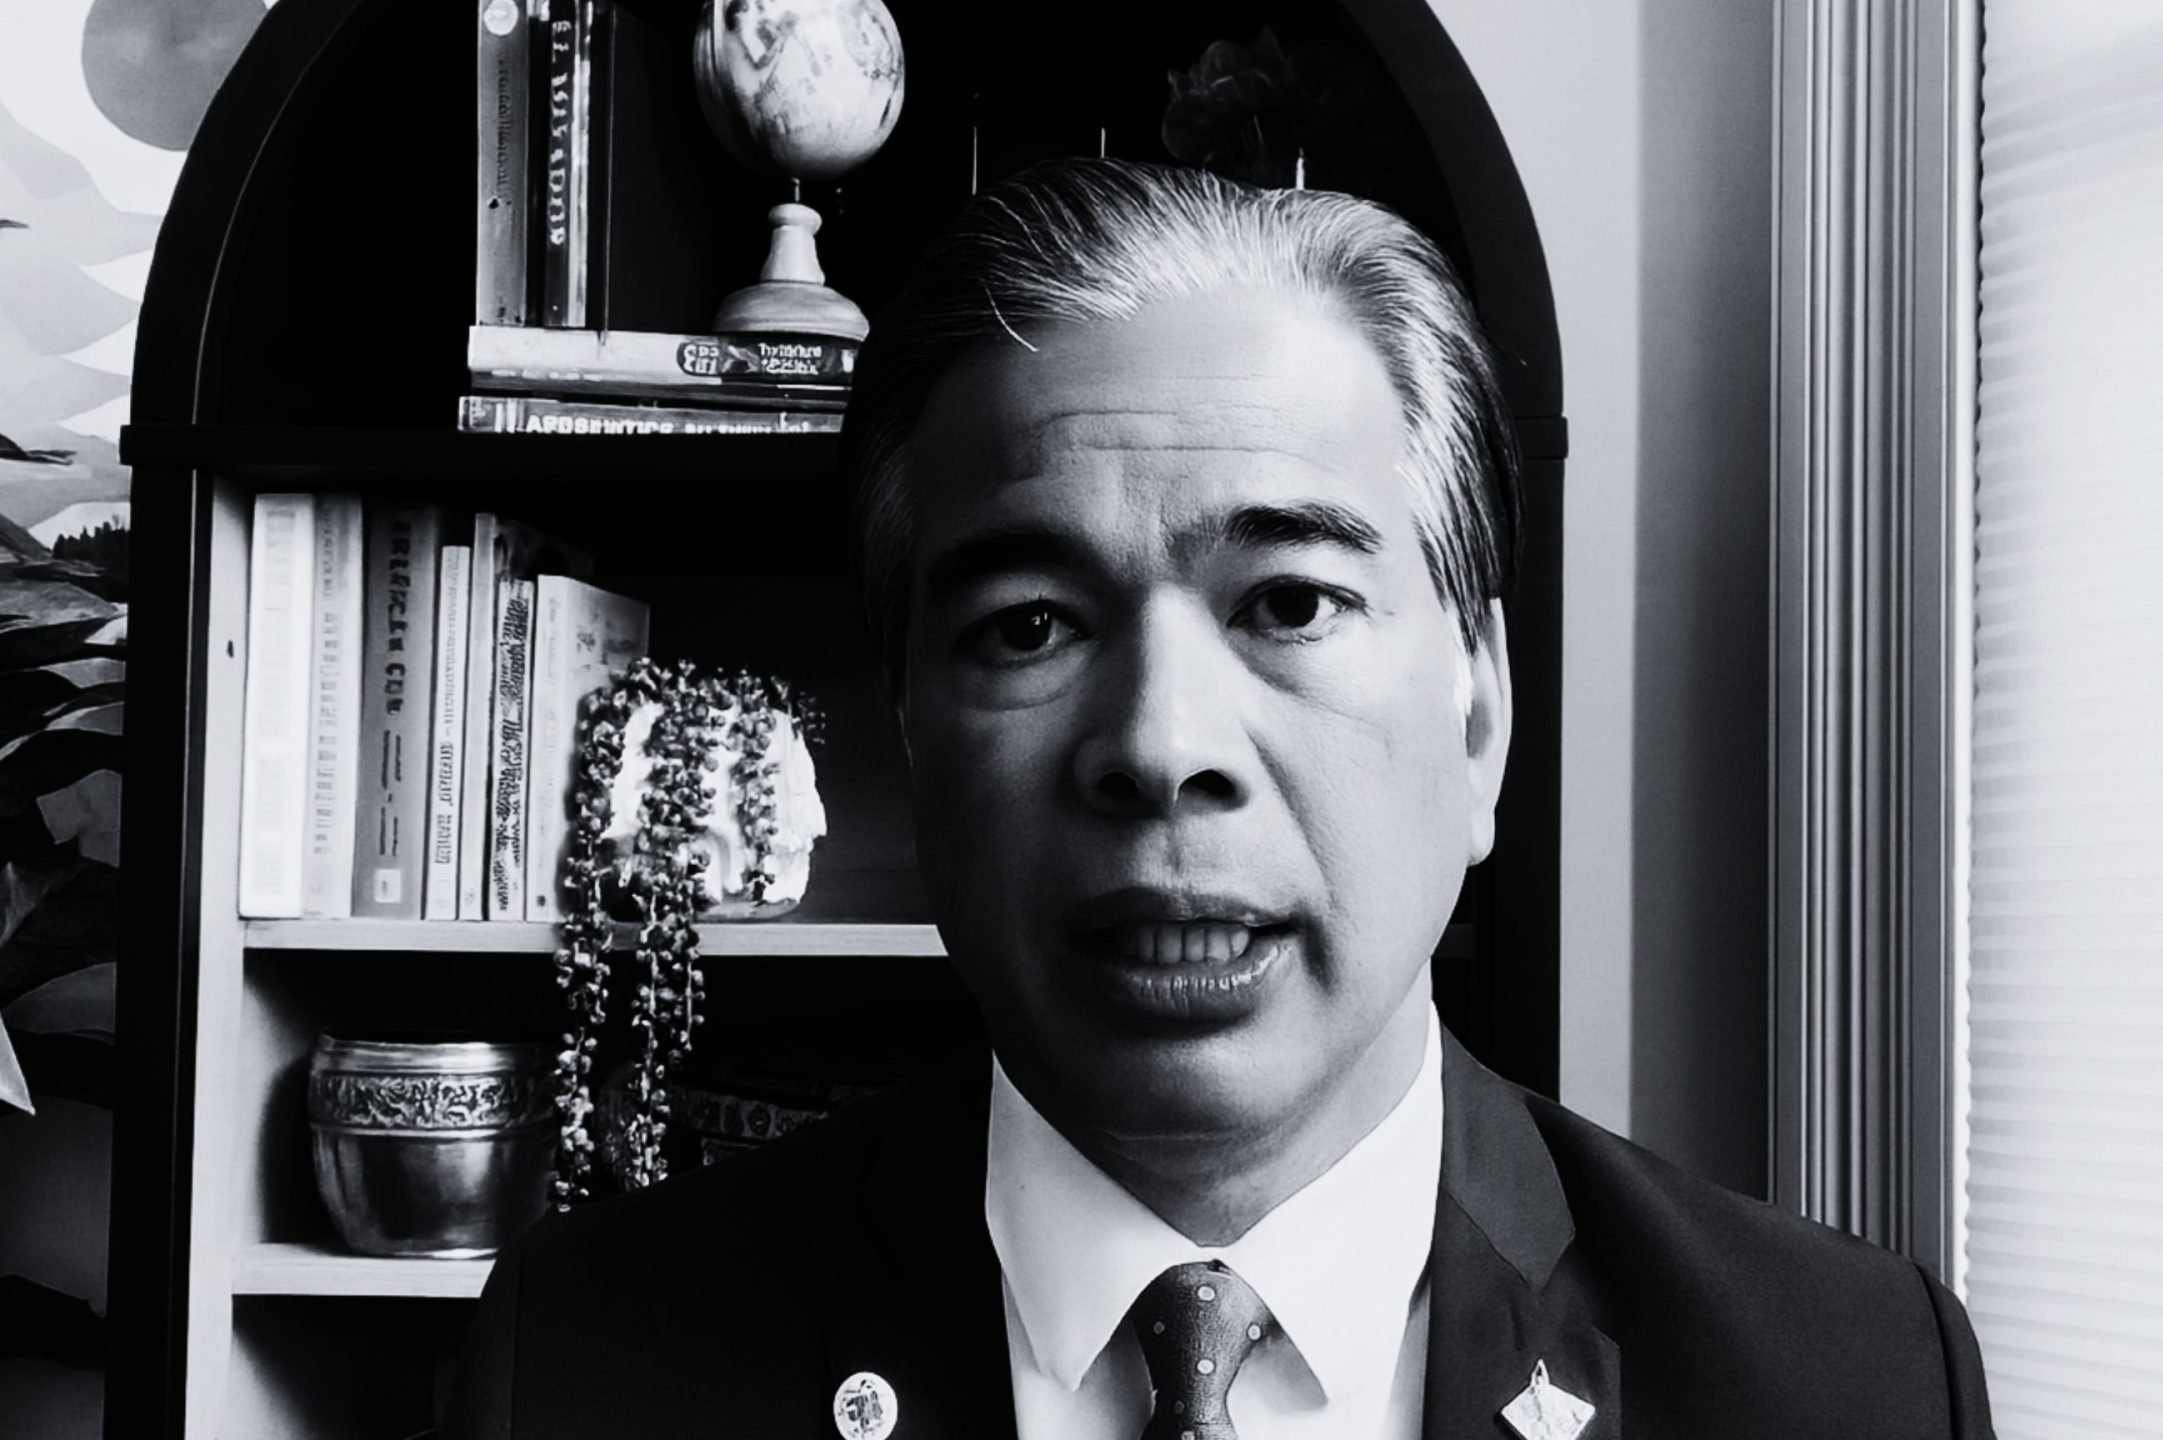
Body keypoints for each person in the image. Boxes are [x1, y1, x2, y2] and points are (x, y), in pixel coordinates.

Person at [442, 159, 1995, 1440]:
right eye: (1031, 626)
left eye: (1293, 603)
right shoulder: (579, 1374)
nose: (1163, 745)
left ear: (1481, 711)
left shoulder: (1847, 1387)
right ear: (912, 738)